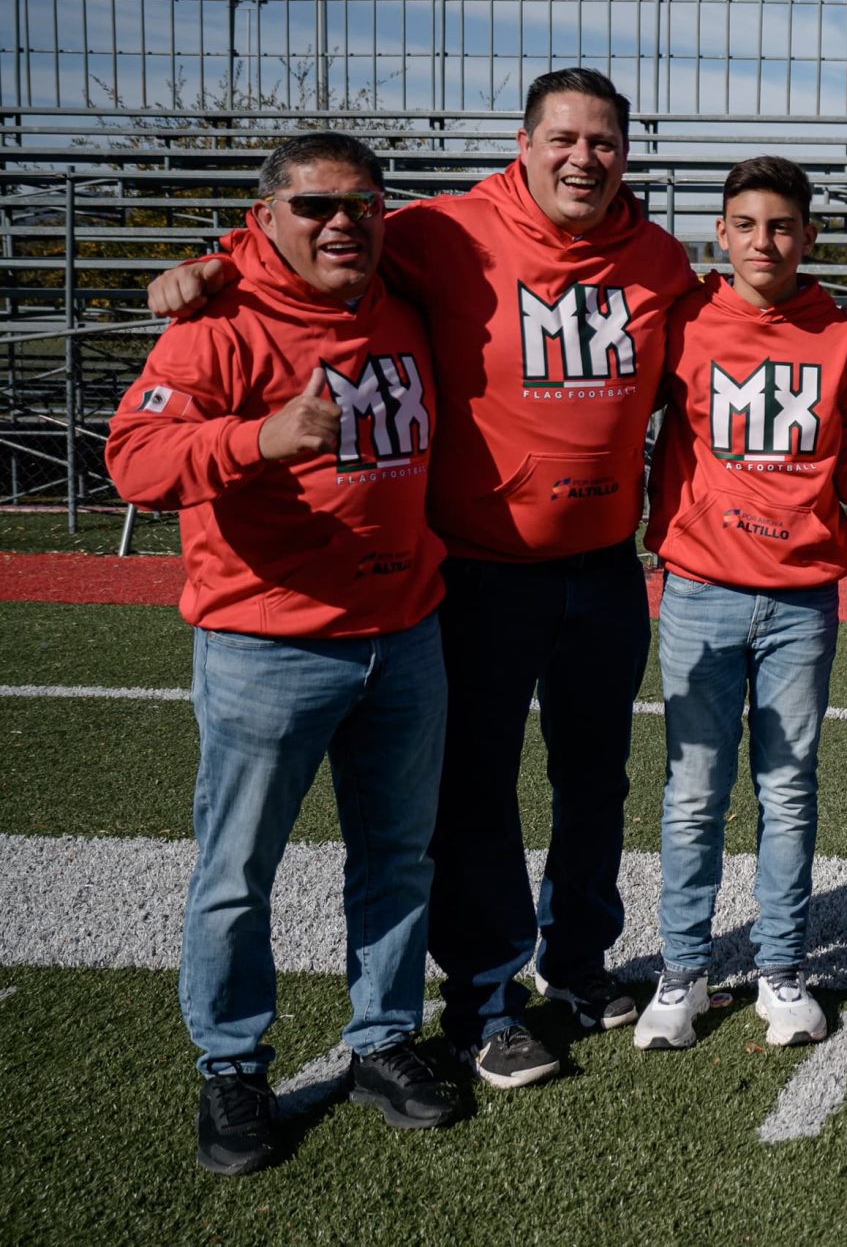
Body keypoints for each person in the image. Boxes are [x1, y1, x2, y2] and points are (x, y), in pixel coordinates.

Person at [146, 68, 697, 1089]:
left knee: (596, 778)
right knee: (474, 793)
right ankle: (487, 1000)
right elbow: (308, 243)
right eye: (563, 137)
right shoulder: (445, 232)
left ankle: (576, 960)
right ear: (523, 143)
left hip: (606, 568)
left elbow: (729, 340)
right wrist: (208, 265)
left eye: (605, 142)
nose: (584, 157)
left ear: (628, 153)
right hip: (479, 572)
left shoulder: (659, 257)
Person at [107, 132, 461, 1174]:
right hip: (267, 644)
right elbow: (132, 457)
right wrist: (254, 439)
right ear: (267, 218)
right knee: (236, 873)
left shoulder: (398, 295)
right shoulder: (215, 323)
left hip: (405, 630)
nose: (341, 221)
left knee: (397, 856)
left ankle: (385, 1037)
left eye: (360, 201)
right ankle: (231, 1066)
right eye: (313, 206)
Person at [632, 157, 847, 1053]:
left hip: (803, 596)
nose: (764, 242)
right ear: (720, 234)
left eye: (782, 226)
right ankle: (684, 971)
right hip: (699, 588)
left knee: (789, 787)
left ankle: (781, 968)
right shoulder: (683, 322)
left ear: (809, 236)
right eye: (746, 224)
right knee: (694, 794)